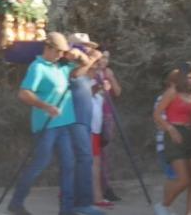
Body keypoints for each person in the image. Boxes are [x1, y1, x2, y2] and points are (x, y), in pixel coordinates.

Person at [7, 32, 101, 215]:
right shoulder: (37, 67)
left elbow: (79, 72)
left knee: (68, 164)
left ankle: (66, 209)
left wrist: (81, 56)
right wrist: (45, 106)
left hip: (64, 122)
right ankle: (16, 202)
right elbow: (24, 93)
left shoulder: (62, 66)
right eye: (57, 51)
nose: (60, 55)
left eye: (62, 52)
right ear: (48, 48)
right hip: (46, 124)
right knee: (40, 163)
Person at [62, 33, 104, 213]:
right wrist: (91, 59)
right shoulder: (70, 64)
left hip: (84, 119)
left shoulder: (86, 66)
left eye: (88, 46)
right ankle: (79, 204)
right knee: (82, 160)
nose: (87, 48)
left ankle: (80, 203)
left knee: (83, 161)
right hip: (74, 119)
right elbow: (73, 77)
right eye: (82, 45)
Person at [152, 62, 191, 215]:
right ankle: (163, 205)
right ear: (181, 76)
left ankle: (190, 212)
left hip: (189, 134)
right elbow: (156, 115)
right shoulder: (172, 92)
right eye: (189, 77)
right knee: (184, 179)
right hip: (174, 132)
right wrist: (170, 129)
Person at [92, 50, 123, 202]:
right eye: (102, 57)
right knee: (96, 154)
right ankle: (100, 188)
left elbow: (118, 92)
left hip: (107, 115)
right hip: (94, 115)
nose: (104, 60)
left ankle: (105, 187)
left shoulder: (107, 72)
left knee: (105, 153)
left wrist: (110, 78)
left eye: (107, 58)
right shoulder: (90, 71)